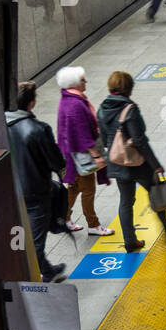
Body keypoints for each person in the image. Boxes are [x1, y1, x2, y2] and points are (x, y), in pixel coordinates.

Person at [97, 71, 166, 253]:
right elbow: (139, 140)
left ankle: (130, 242)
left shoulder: (101, 109)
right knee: (157, 194)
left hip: (118, 162)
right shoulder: (130, 109)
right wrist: (155, 164)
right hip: (139, 164)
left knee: (125, 201)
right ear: (128, 87)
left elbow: (104, 138)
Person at [5, 81, 67, 282]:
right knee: (35, 240)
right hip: (35, 191)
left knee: (22, 234)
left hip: (10, 191)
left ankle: (47, 269)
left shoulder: (0, 126)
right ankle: (33, 277)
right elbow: (56, 161)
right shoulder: (38, 129)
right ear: (31, 104)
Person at [55, 66, 112, 236]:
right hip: (79, 157)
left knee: (73, 189)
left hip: (69, 155)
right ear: (74, 83)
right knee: (88, 190)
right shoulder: (75, 105)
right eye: (83, 80)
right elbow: (82, 135)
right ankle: (93, 225)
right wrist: (96, 156)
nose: (86, 82)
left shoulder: (68, 99)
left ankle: (64, 219)